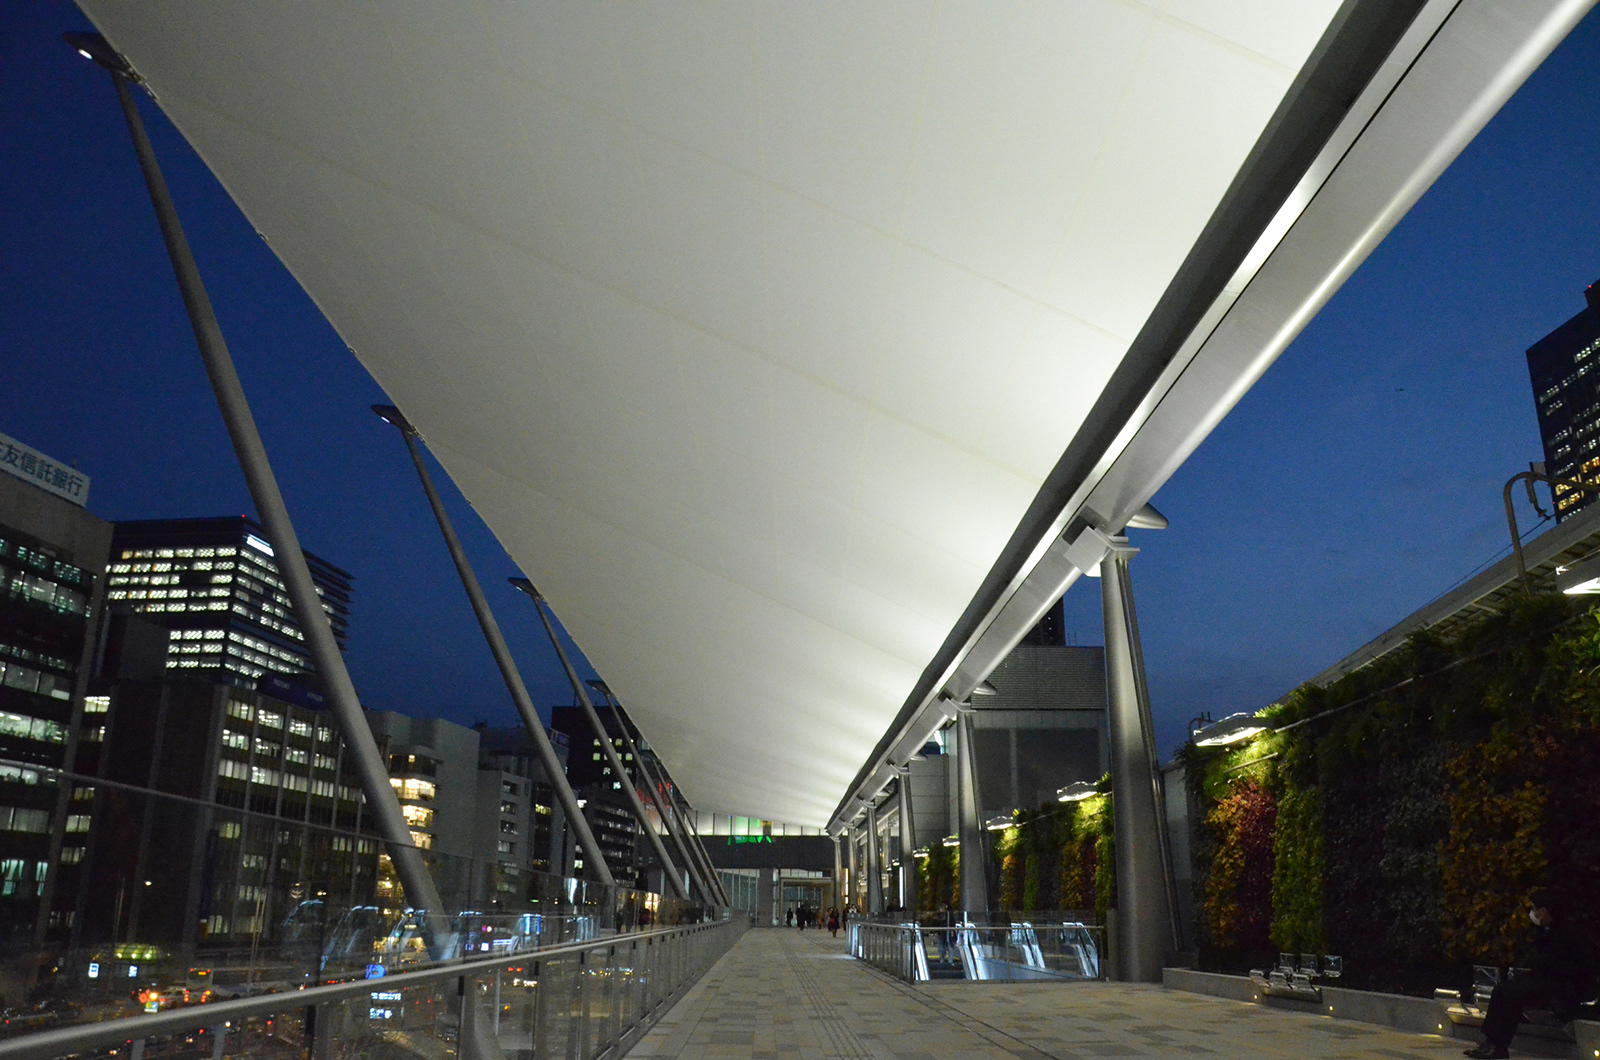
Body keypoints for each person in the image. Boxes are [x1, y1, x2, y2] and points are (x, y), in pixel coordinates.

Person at [1464, 891, 1595, 1059]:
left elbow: (1581, 966)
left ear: (1544, 911)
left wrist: (1549, 965)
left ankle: (1499, 1044)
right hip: (1544, 978)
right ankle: (1491, 1041)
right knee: (1501, 989)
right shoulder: (1544, 932)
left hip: (1561, 983)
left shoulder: (1568, 933)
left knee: (1513, 993)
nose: (1532, 913)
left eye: (1535, 908)